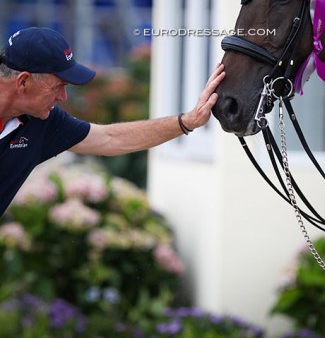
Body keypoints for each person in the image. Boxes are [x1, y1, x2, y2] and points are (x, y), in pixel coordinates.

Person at [0, 27, 225, 217]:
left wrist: (188, 121)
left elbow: (111, 139)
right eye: (58, 86)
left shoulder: (42, 120)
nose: (63, 97)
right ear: (23, 82)